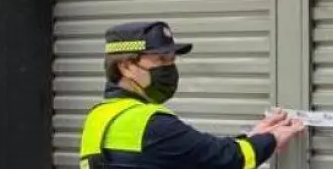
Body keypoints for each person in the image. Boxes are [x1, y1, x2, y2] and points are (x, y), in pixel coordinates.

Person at [79, 21, 306, 168]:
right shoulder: (151, 124)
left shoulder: (98, 117)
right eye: (161, 60)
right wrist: (272, 138)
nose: (169, 68)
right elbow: (224, 160)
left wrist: (253, 136)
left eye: (172, 60)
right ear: (126, 66)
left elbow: (189, 154)